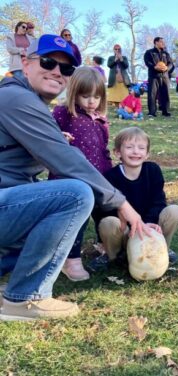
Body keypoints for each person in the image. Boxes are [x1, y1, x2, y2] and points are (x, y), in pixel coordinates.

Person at [0, 34, 147, 321]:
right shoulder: (16, 98)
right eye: (48, 62)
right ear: (26, 63)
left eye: (66, 69)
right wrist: (121, 203)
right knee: (74, 194)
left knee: (48, 222)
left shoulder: (22, 98)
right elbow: (66, 159)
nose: (57, 72)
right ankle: (24, 298)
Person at [51, 67, 112, 282]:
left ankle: (106, 248)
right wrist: (60, 138)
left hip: (99, 178)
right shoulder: (63, 113)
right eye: (85, 96)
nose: (91, 102)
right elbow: (47, 137)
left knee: (104, 215)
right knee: (79, 219)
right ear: (74, 92)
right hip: (71, 180)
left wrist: (110, 176)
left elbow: (104, 150)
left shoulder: (101, 120)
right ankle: (71, 259)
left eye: (96, 97)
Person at [94, 127, 178, 268]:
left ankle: (162, 248)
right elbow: (102, 210)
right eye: (129, 147)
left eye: (141, 148)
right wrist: (129, 227)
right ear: (118, 152)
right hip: (125, 232)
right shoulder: (110, 177)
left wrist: (147, 223)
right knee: (109, 222)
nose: (136, 151)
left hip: (150, 229)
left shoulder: (153, 171)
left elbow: (158, 201)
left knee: (175, 211)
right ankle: (115, 256)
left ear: (147, 153)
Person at [144, 37, 173, 117]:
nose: (163, 43)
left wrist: (167, 68)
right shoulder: (149, 52)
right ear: (156, 42)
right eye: (161, 42)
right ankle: (152, 112)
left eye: (163, 42)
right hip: (154, 76)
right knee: (152, 94)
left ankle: (165, 111)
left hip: (164, 76)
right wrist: (154, 67)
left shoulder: (166, 53)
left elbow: (171, 63)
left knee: (165, 94)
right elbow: (147, 62)